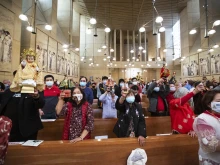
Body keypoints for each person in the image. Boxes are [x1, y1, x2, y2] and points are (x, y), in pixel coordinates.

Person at [193, 90, 220, 164]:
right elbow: (210, 144)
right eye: (219, 101)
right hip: (212, 160)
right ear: (209, 104)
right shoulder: (202, 119)